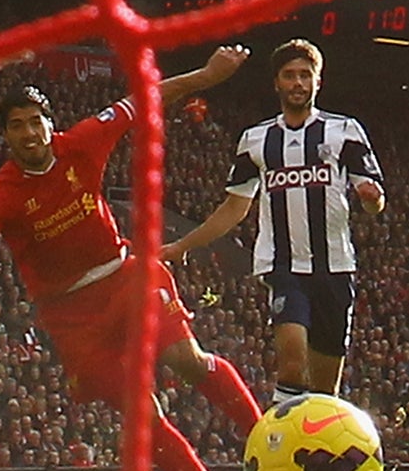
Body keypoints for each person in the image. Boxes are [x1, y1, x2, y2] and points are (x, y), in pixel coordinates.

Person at [0, 48, 262, 471]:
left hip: (123, 277)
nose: (29, 133)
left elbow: (147, 98)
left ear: (49, 124)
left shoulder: (81, 142)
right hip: (71, 316)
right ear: (6, 135)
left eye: (35, 122)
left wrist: (206, 74)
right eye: (17, 126)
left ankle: (269, 443)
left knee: (187, 359)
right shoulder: (2, 194)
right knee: (141, 413)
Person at [164, 39, 384, 403]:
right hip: (283, 267)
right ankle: (279, 434)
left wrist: (372, 199)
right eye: (289, 75)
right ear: (276, 83)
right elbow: (234, 207)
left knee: (324, 391)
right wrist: (183, 245)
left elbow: (374, 199)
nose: (297, 82)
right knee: (293, 364)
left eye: (305, 75)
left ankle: (312, 436)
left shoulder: (344, 131)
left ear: (317, 82)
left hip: (335, 268)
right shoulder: (256, 139)